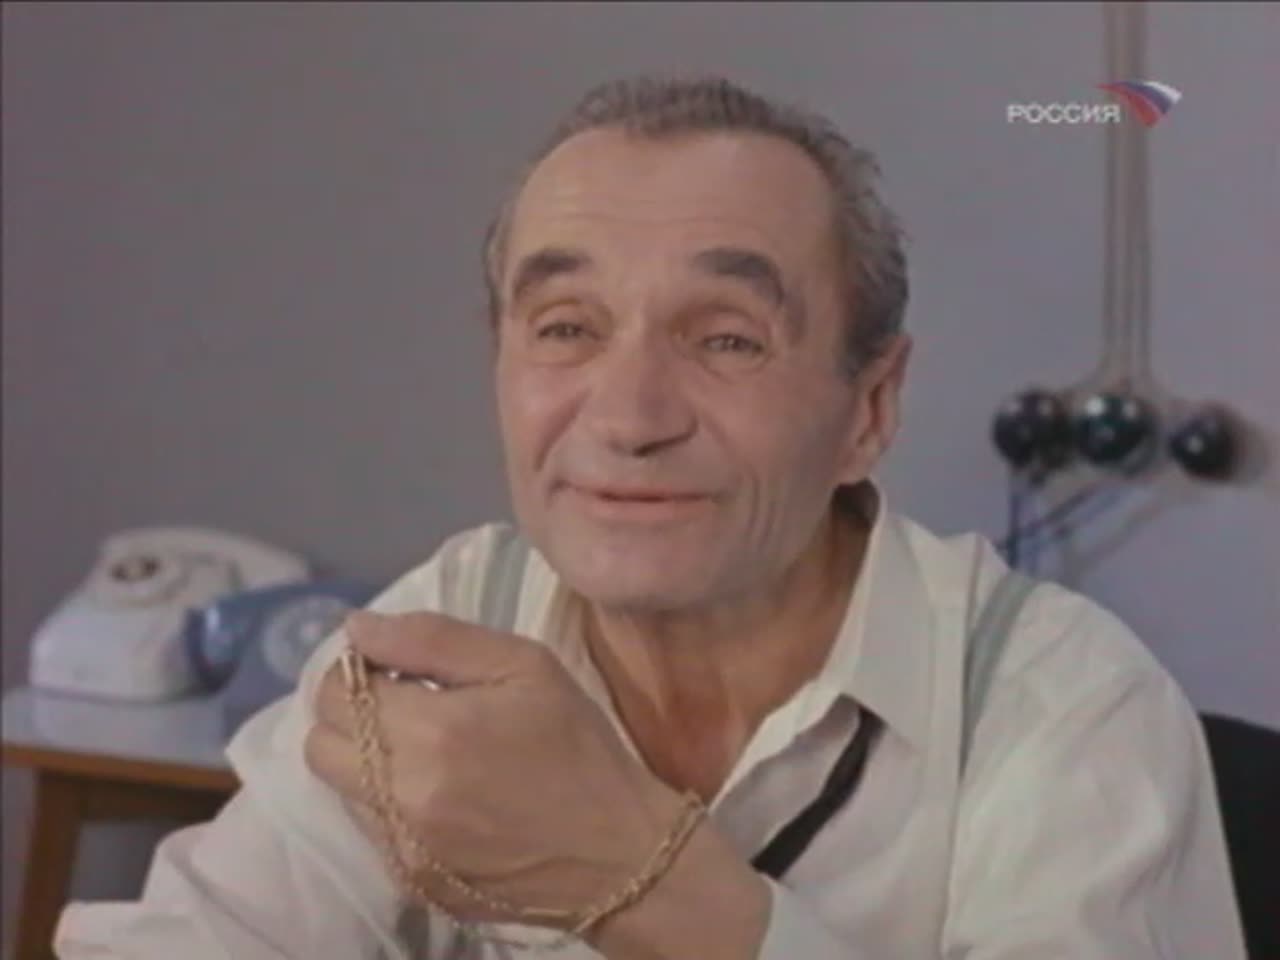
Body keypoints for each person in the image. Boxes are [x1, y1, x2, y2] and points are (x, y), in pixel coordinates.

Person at [54, 74, 1246, 959]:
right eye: (565, 329)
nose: (627, 417)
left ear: (867, 408)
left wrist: (633, 874)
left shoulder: (1060, 706)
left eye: (725, 340)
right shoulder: (448, 625)